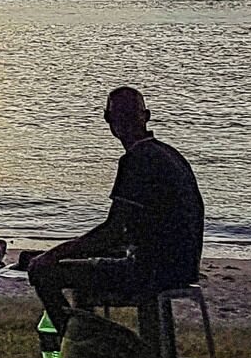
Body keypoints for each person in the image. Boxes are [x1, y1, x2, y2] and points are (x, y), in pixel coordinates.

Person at [28, 86, 206, 331]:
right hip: (182, 267)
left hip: (151, 271)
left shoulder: (136, 160)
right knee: (86, 263)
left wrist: (54, 254)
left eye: (123, 116)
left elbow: (111, 231)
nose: (122, 123)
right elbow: (139, 228)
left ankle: (78, 343)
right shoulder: (169, 154)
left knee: (44, 272)